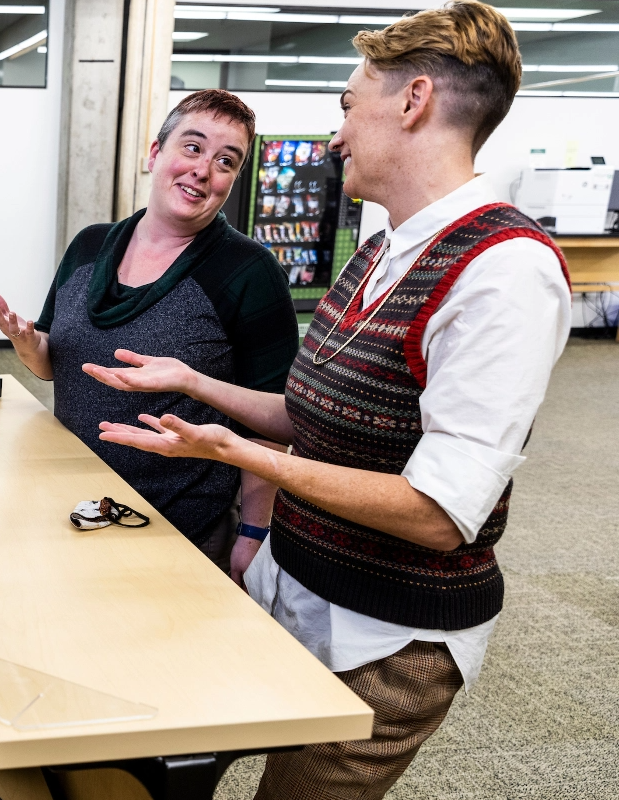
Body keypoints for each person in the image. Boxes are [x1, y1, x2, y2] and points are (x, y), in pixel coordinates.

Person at [85, 3, 569, 797]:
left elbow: (440, 513)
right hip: (294, 587)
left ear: (413, 101)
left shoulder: (504, 272)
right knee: (161, 757)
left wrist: (232, 453)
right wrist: (196, 384)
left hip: (385, 643)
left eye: (348, 105)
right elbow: (312, 420)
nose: (337, 134)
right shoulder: (383, 247)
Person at [0, 89, 297, 571]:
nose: (203, 169)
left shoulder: (249, 273)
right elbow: (51, 366)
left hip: (180, 530)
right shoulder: (89, 246)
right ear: (156, 153)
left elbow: (271, 424)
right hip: (71, 503)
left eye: (226, 161)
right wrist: (28, 344)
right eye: (192, 147)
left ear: (233, 181)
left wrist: (253, 534)